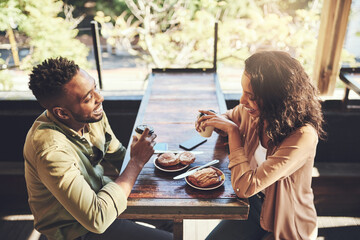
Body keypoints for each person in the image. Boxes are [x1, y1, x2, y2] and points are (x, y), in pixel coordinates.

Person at [24, 57, 173, 240]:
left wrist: (163, 172)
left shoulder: (90, 115)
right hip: (77, 230)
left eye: (95, 88)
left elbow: (118, 155)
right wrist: (136, 161)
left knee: (173, 216)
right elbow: (97, 219)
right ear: (62, 113)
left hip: (101, 197)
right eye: (88, 98)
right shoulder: (51, 151)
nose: (99, 98)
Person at [196, 51, 325, 240]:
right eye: (243, 91)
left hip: (286, 222)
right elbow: (231, 116)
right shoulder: (255, 113)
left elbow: (244, 187)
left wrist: (233, 133)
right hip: (253, 205)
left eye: (251, 96)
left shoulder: (302, 136)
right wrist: (215, 122)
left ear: (277, 99)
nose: (242, 100)